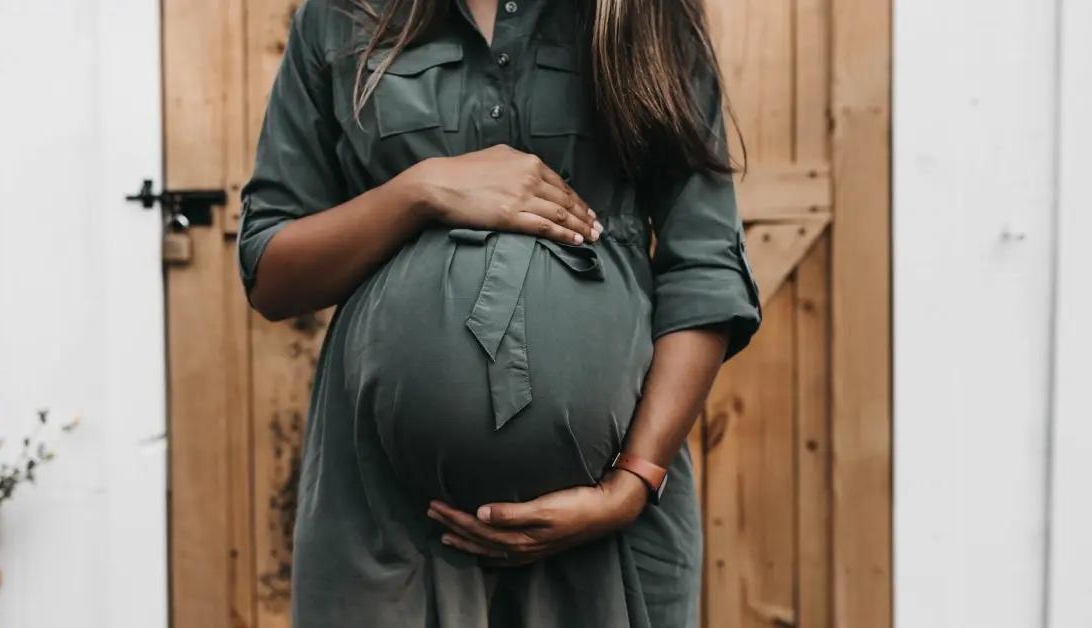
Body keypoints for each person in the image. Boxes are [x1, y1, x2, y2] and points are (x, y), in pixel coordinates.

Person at [238, 0, 761, 625]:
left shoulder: (646, 12)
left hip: (608, 524)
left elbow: (704, 264)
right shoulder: (339, 13)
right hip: (387, 526)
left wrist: (632, 485)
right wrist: (420, 191)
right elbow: (271, 271)